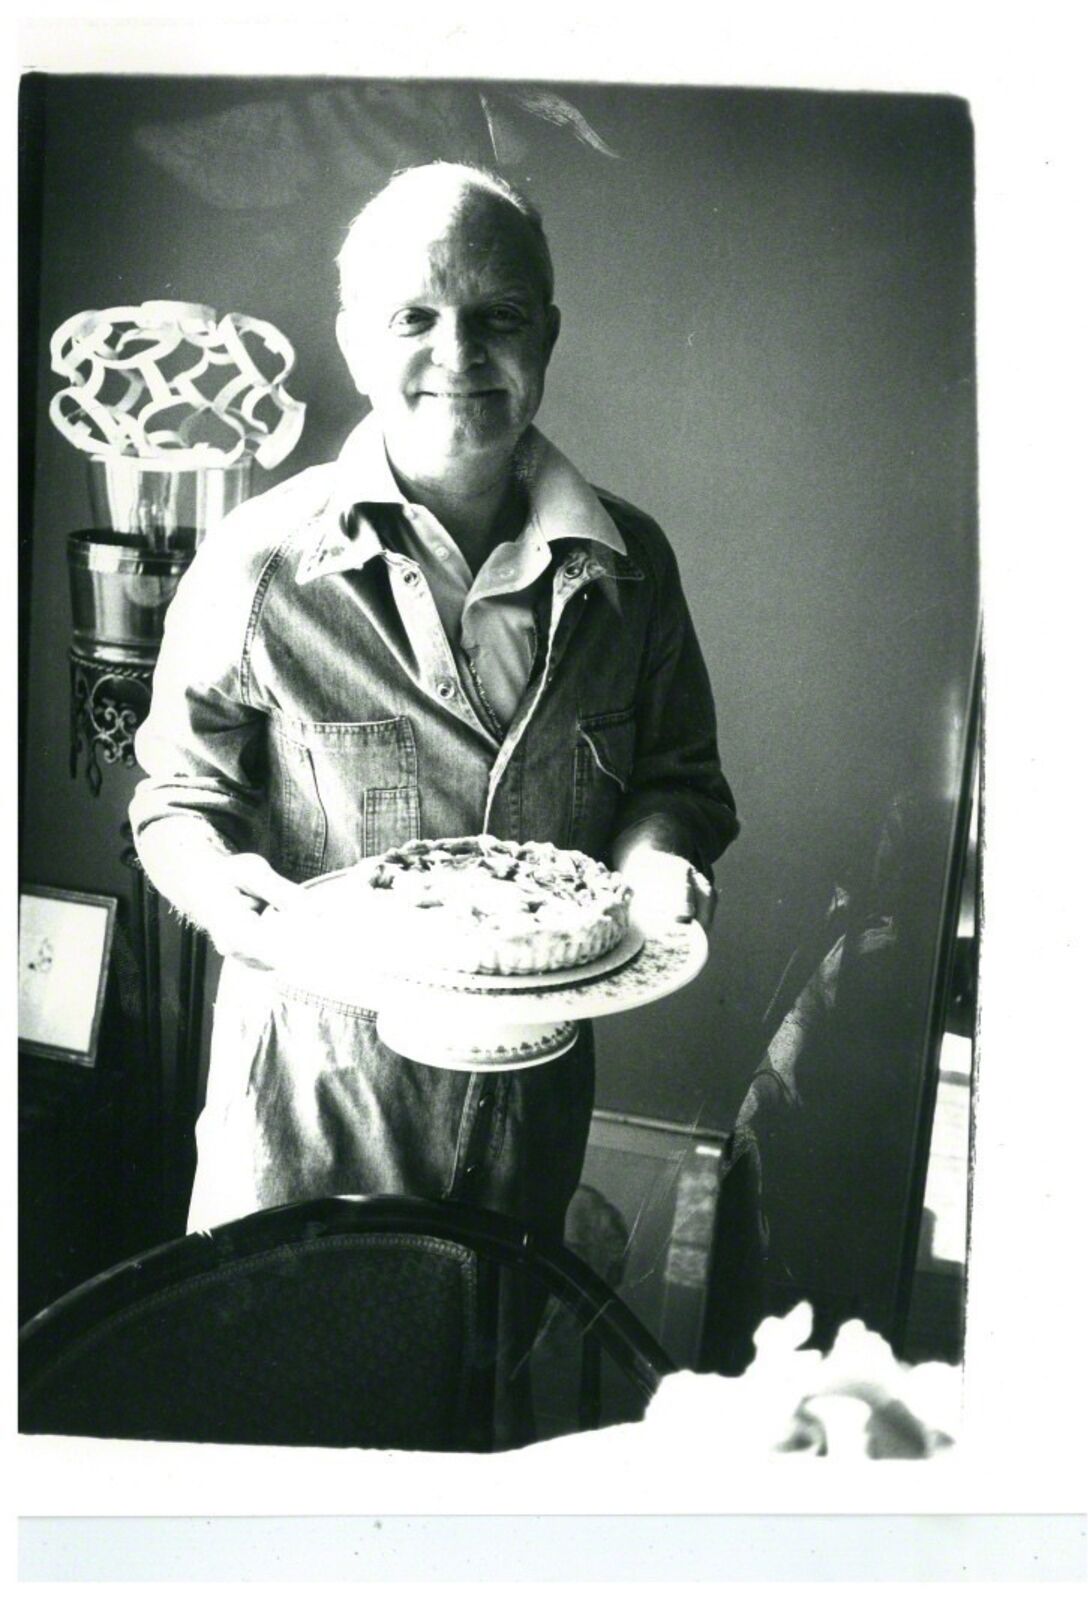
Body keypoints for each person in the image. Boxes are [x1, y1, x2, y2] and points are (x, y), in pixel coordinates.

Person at [130, 161, 737, 1249]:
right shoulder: (258, 563)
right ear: (355, 342)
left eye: (498, 316)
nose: (458, 354)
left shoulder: (633, 565)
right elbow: (178, 796)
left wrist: (656, 863)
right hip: (309, 1126)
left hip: (529, 1124)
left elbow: (676, 779)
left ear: (547, 335)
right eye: (413, 317)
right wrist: (222, 890)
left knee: (482, 1354)